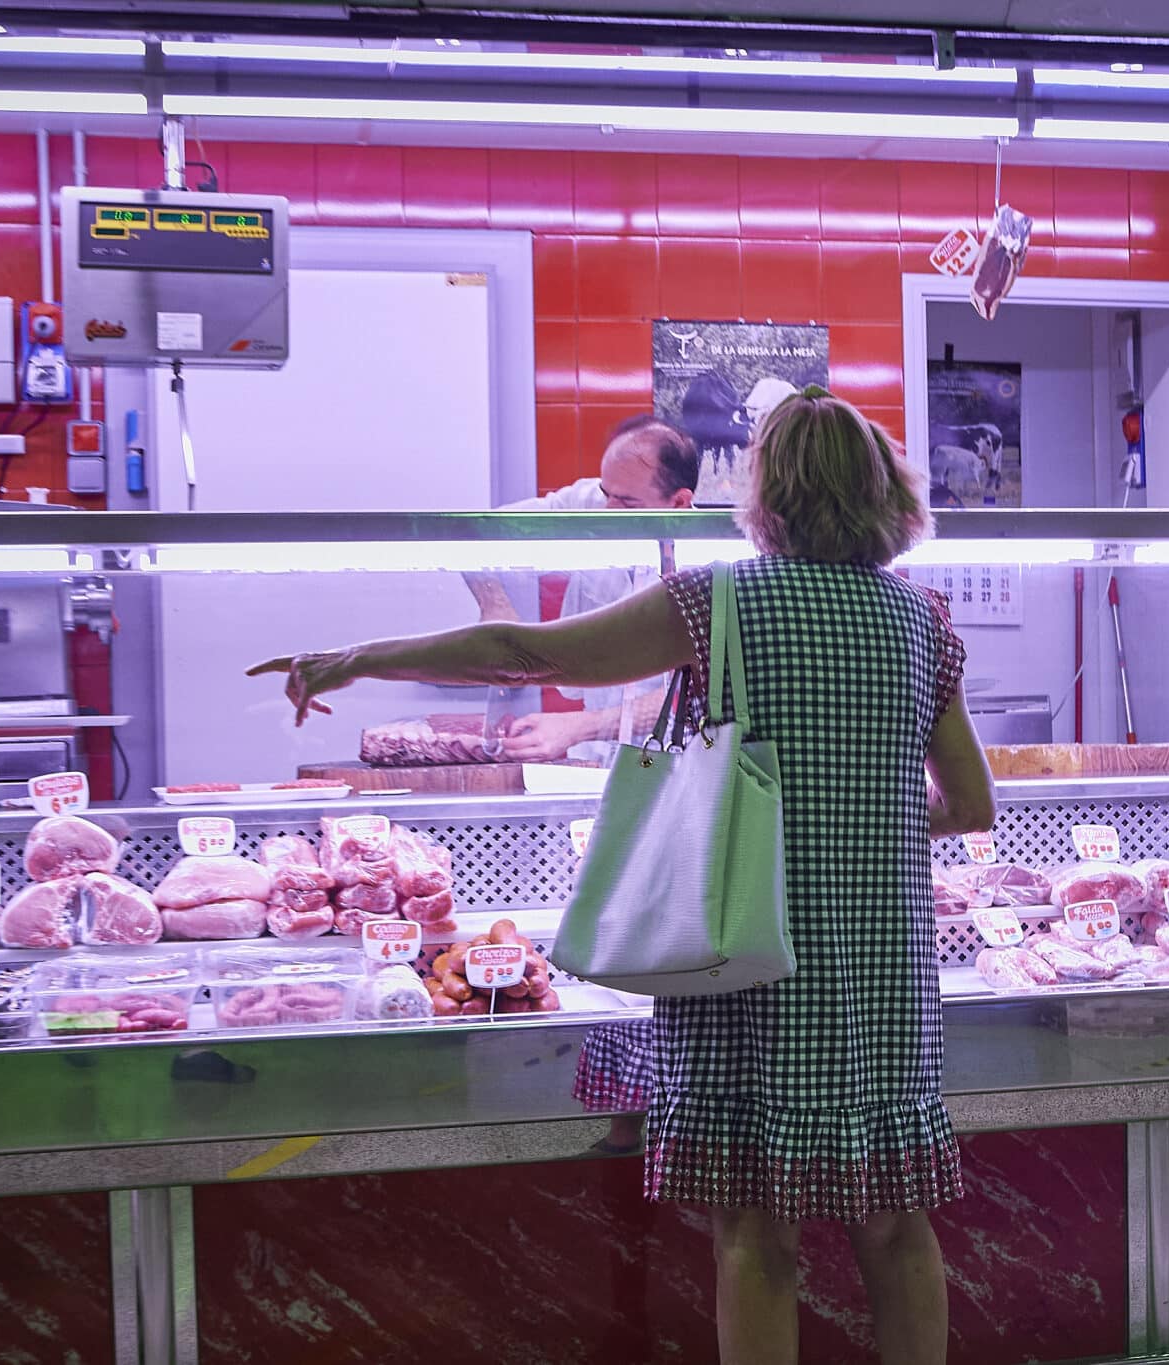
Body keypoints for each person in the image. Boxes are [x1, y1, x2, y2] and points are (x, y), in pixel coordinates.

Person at [250, 386, 997, 1365]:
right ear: (885, 493)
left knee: (752, 1228)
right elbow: (970, 805)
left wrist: (355, 658)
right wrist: (859, 834)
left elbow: (526, 651)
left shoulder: (718, 600)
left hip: (743, 958)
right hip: (881, 975)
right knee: (894, 1221)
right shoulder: (921, 621)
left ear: (764, 496)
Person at [470, 414, 699, 762]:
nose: (607, 511)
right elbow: (478, 535)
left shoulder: (706, 564)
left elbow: (687, 690)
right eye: (607, 493)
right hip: (593, 760)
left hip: (670, 762)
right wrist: (495, 604)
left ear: (679, 503)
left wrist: (576, 727)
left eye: (626, 503)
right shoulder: (590, 502)